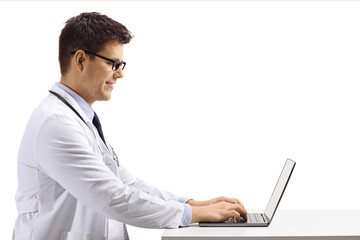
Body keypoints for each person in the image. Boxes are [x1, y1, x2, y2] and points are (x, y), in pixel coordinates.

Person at [13, 12, 247, 240]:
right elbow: (110, 197)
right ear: (81, 60)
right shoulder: (55, 124)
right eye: (113, 63)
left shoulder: (78, 118)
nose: (120, 74)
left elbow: (125, 183)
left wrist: (191, 204)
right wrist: (191, 214)